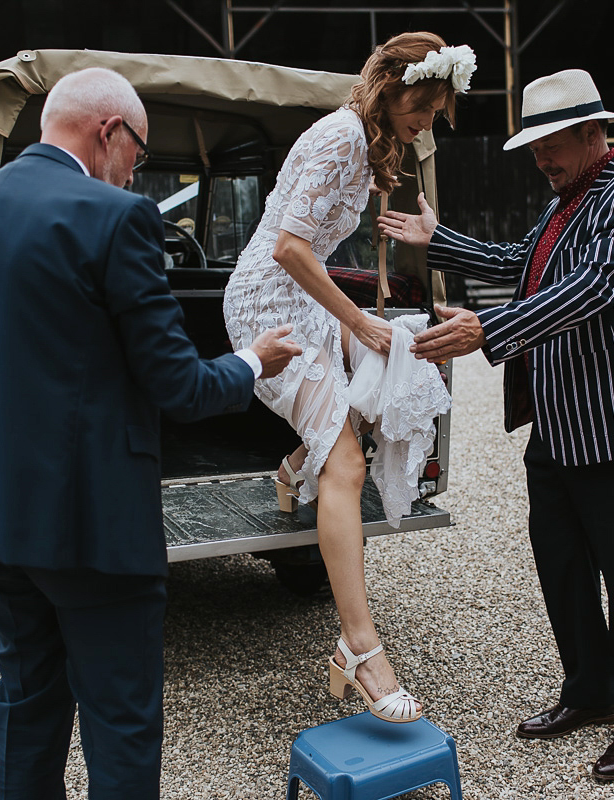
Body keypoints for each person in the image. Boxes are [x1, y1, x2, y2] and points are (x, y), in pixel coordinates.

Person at [0, 67, 300, 799]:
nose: (135, 172)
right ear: (110, 131)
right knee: (121, 719)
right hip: (91, 528)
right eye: (139, 155)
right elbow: (179, 387)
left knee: (28, 695)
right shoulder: (118, 220)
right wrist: (251, 360)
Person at [377, 68, 614, 781]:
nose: (539, 158)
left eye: (549, 143)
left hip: (613, 424)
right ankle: (589, 691)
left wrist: (490, 329)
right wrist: (437, 238)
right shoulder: (566, 200)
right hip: (559, 422)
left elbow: (590, 289)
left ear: (590, 131)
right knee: (564, 569)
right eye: (535, 145)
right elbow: (521, 265)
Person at [222, 32, 471, 723]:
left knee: (376, 383)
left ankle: (290, 468)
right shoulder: (340, 137)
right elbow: (289, 247)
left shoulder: (365, 141)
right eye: (422, 109)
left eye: (435, 113)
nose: (426, 124)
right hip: (267, 302)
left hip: (304, 295)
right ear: (392, 88)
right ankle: (358, 647)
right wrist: (356, 324)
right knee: (348, 463)